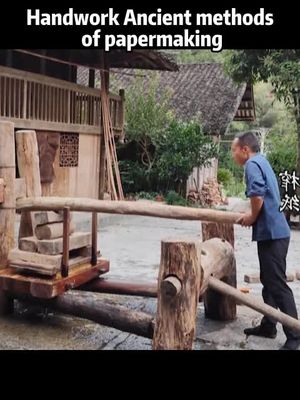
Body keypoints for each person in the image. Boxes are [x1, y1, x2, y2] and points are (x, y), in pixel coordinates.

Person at [231, 131, 300, 350]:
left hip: (273, 233)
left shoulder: (252, 165)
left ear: (244, 149)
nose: (233, 154)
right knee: (269, 281)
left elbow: (258, 195)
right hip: (277, 232)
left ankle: (295, 335)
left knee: (277, 284)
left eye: (234, 149)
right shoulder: (263, 161)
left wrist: (251, 217)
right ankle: (269, 324)